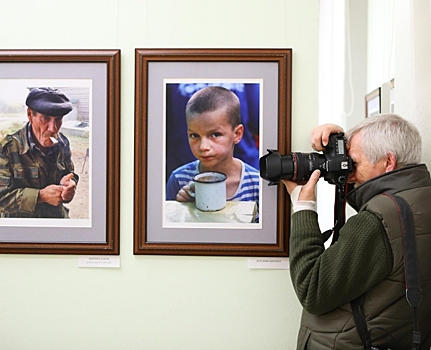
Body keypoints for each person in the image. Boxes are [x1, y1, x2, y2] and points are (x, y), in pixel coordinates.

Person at [283, 114, 431, 349]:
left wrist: (303, 207)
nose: (349, 174)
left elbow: (312, 290)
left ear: (388, 162)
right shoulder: (419, 197)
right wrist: (339, 145)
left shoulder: (377, 219)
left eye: (354, 163)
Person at [166, 86, 259, 218]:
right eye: (194, 135)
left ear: (237, 134)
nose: (203, 147)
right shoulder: (179, 180)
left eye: (215, 134)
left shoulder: (257, 184)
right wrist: (185, 209)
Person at [0, 87, 79, 218]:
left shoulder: (62, 143)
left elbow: (69, 173)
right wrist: (40, 196)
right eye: (46, 118)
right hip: (22, 227)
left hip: (56, 221)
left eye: (58, 119)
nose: (53, 128)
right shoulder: (8, 148)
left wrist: (70, 186)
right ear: (30, 115)